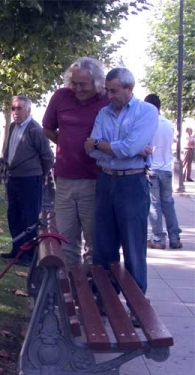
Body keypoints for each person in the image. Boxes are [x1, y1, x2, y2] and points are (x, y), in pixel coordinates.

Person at [85, 68, 158, 299]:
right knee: (104, 246)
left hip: (132, 183)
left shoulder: (146, 112)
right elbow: (91, 151)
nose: (109, 96)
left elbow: (129, 149)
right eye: (107, 90)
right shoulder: (103, 114)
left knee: (133, 247)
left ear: (129, 88)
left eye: (114, 91)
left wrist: (101, 144)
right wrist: (114, 148)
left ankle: (137, 304)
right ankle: (105, 298)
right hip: (106, 180)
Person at [42, 57, 109, 266]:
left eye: (83, 84)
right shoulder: (61, 97)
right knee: (67, 240)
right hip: (64, 179)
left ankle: (92, 288)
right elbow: (47, 128)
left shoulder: (106, 101)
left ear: (97, 83)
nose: (77, 89)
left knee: (94, 241)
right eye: (74, 83)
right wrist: (67, 144)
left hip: (95, 180)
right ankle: (71, 290)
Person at [1, 96, 54, 266]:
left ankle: (29, 254)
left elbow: (48, 156)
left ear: (28, 111)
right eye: (13, 108)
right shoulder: (12, 127)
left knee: (29, 218)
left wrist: (41, 175)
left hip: (30, 180)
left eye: (19, 109)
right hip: (13, 178)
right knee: (13, 215)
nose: (15, 112)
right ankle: (16, 250)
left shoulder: (35, 129)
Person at [144, 94, 183, 250]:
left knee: (154, 205)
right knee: (168, 203)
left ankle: (158, 238)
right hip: (166, 169)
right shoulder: (168, 124)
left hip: (153, 168)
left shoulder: (149, 124)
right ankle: (174, 237)